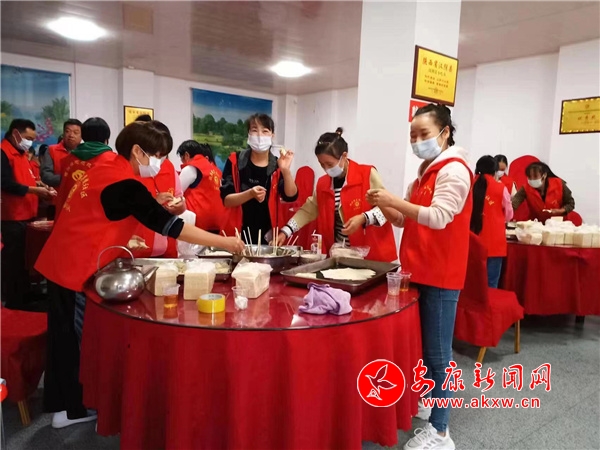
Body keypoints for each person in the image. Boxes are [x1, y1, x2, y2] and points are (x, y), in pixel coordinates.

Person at [34, 121, 244, 430]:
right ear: (137, 151)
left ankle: (68, 404)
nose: (160, 162)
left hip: (62, 259)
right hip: (74, 266)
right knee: (75, 340)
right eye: (157, 155)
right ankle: (73, 408)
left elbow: (116, 205)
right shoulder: (124, 183)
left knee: (64, 337)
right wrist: (226, 243)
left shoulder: (107, 165)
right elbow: (171, 227)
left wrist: (153, 203)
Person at [367, 104, 472, 450]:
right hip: (418, 270)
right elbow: (405, 219)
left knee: (439, 355)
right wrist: (383, 203)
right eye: (412, 135)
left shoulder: (454, 170)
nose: (416, 141)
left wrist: (394, 200)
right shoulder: (425, 173)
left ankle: (441, 432)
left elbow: (439, 217)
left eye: (423, 134)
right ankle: (430, 404)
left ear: (445, 132)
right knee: (425, 350)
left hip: (441, 274)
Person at [274, 128, 397, 261]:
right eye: (322, 165)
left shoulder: (366, 174)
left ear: (344, 156)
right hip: (341, 256)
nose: (326, 169)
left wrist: (364, 218)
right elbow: (308, 210)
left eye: (329, 164)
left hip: (373, 257)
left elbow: (387, 209)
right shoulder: (323, 184)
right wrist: (286, 231)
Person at [1, 119, 55, 309]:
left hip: (27, 213)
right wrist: (35, 190)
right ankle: (14, 300)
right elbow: (5, 184)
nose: (30, 143)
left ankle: (25, 294)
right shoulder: (3, 153)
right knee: (14, 260)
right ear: (15, 133)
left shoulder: (21, 154)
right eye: (28, 138)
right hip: (12, 215)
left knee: (24, 258)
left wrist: (40, 185)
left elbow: (28, 178)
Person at [221, 113, 298, 244]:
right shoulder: (235, 161)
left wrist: (285, 170)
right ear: (248, 134)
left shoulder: (277, 165)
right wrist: (250, 194)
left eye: (265, 131)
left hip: (269, 237)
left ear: (272, 135)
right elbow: (227, 200)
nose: (259, 136)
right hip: (237, 235)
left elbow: (291, 196)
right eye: (254, 130)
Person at [129, 120, 185, 257]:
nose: (158, 159)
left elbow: (180, 197)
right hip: (138, 248)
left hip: (167, 248)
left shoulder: (169, 167)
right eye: (156, 153)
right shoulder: (132, 170)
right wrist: (153, 203)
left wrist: (180, 207)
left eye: (162, 154)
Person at [55, 117, 116, 219]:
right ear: (106, 139)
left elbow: (63, 193)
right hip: (98, 220)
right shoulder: (113, 161)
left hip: (70, 218)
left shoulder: (68, 159)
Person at [470, 156, 513, 288]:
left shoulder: (469, 185)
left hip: (471, 240)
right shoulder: (500, 188)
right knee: (491, 284)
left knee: (471, 284)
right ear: (494, 171)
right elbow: (509, 215)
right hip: (494, 242)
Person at [177, 140, 225, 234]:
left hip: (198, 223)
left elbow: (177, 192)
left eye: (182, 159)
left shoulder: (191, 168)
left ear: (186, 155)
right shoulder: (215, 170)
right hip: (217, 222)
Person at [41, 119, 82, 188]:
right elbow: (45, 176)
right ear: (63, 133)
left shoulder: (85, 152)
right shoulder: (52, 150)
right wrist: (68, 179)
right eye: (67, 131)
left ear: (81, 136)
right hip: (57, 193)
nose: (71, 135)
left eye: (76, 132)